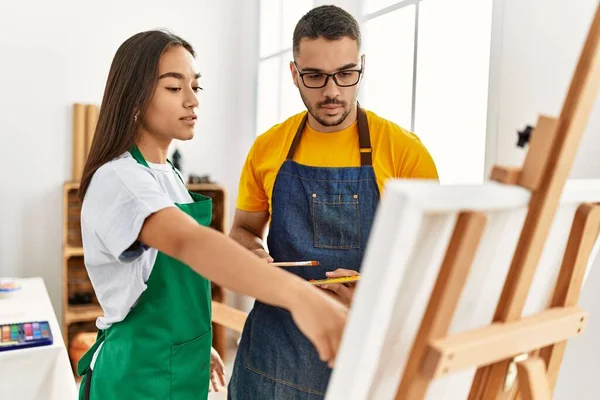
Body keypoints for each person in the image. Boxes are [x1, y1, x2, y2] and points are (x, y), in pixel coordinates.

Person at [75, 29, 347, 400]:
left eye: (195, 88)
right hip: (138, 375)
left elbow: (175, 275)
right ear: (134, 98)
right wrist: (301, 299)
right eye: (174, 88)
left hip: (177, 363)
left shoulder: (167, 174)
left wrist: (194, 344)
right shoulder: (119, 179)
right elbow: (189, 243)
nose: (192, 101)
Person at [228, 5, 438, 399]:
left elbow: (432, 259)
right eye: (315, 76)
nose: (332, 91)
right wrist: (252, 253)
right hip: (274, 352)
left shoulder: (405, 153)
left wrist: (376, 291)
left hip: (362, 350)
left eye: (345, 74)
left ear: (361, 67)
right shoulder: (268, 148)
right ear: (294, 73)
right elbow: (242, 230)